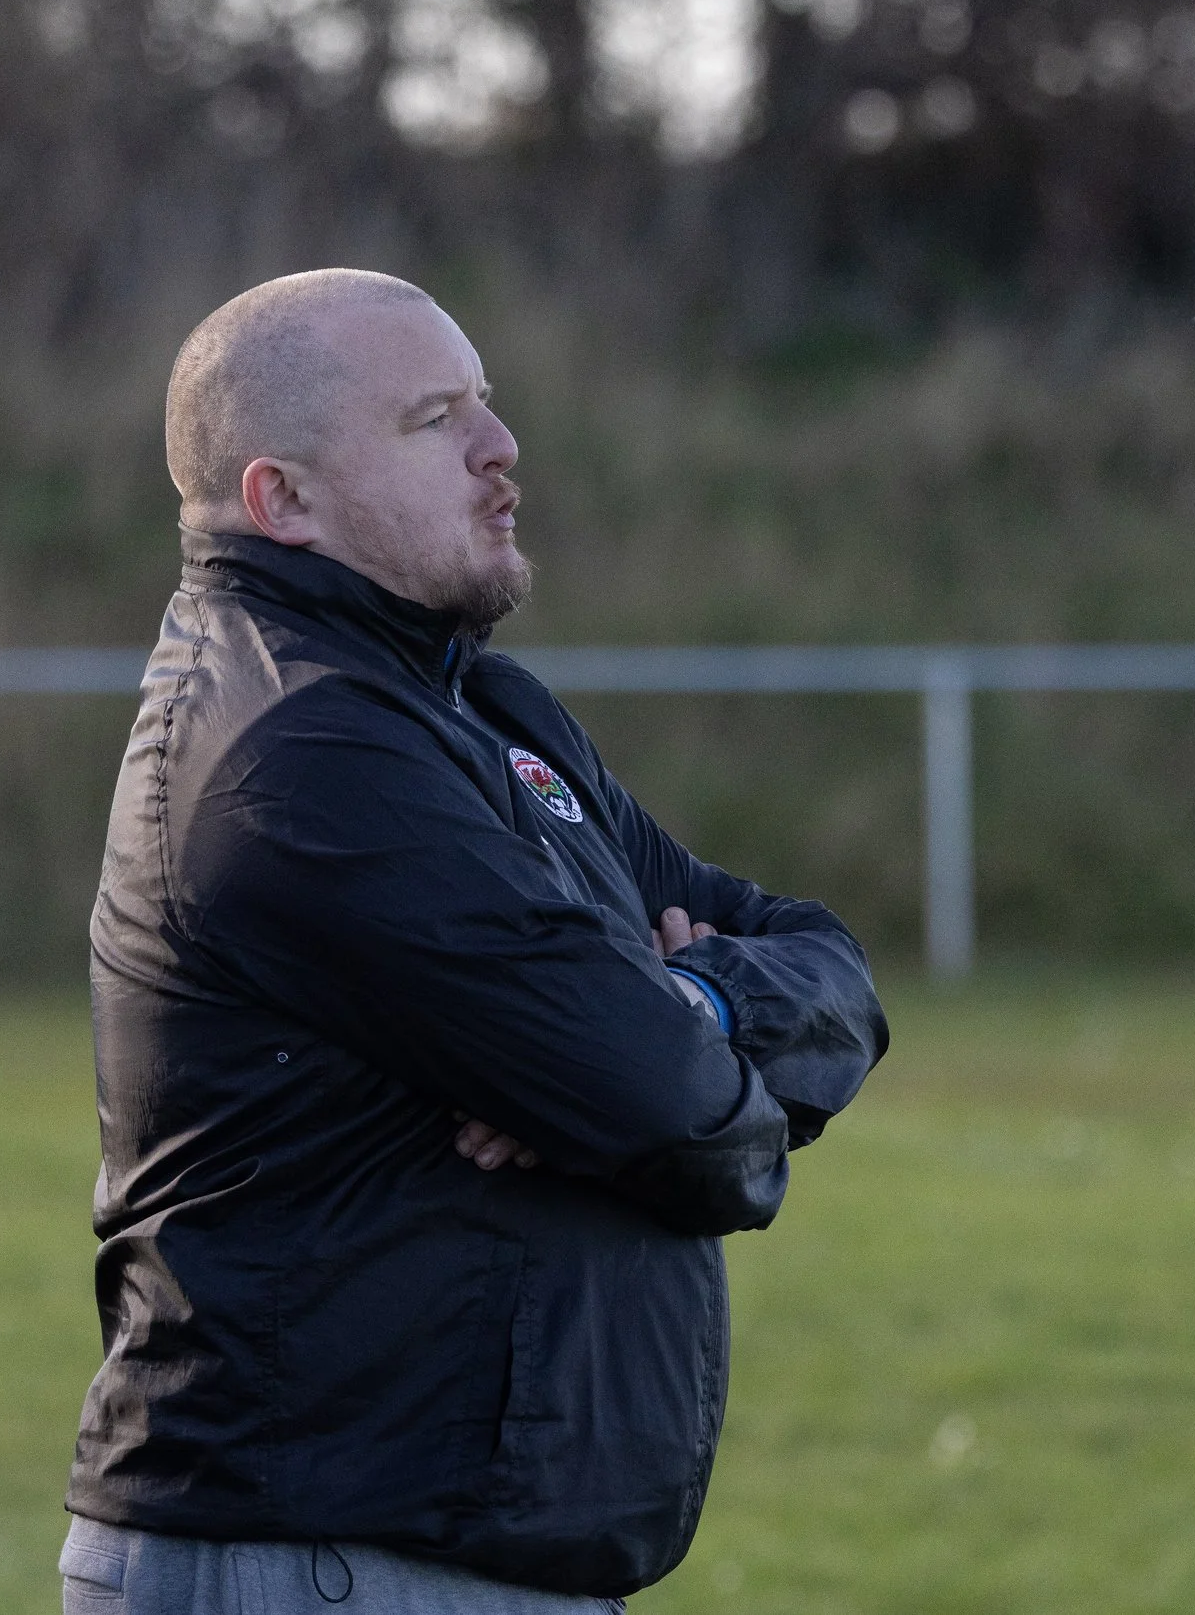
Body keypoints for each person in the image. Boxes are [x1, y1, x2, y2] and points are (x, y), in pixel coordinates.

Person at [61, 269, 888, 1614]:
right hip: (326, 1566)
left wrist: (691, 1001)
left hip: (413, 1562)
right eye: (435, 417)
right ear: (286, 501)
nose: (501, 451)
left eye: (487, 406)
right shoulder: (310, 756)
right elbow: (690, 1132)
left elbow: (826, 963)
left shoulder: (482, 710)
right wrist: (649, 1039)